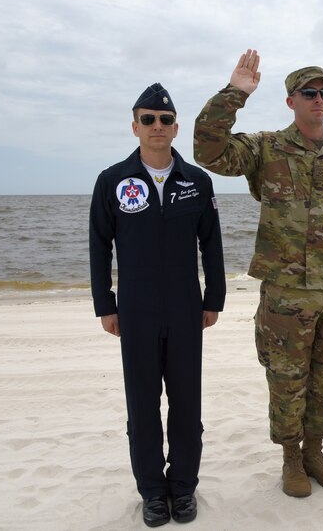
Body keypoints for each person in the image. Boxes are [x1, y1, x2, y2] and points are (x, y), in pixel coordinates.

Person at [193, 50, 323, 498]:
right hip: (285, 295)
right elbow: (208, 151)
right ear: (291, 100)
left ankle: (316, 450)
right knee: (287, 380)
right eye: (309, 93)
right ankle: (291, 457)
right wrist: (235, 94)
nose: (319, 100)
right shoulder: (266, 148)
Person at [89, 83, 226, 527]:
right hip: (137, 309)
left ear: (175, 127)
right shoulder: (113, 181)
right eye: (148, 119)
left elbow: (212, 245)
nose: (157, 126)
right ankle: (152, 490)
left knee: (186, 403)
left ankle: (183, 487)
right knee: (143, 404)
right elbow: (99, 247)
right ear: (135, 126)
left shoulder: (196, 181)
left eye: (165, 120)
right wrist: (105, 305)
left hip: (187, 307)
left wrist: (214, 298)